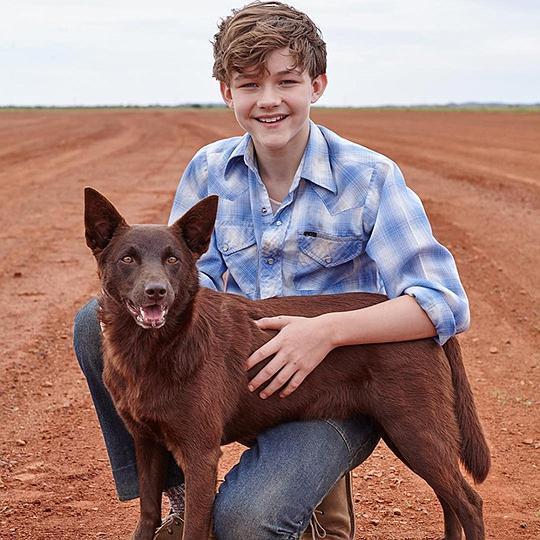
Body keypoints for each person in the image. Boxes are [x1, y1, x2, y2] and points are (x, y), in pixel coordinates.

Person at [74, 2, 470, 538]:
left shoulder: (370, 178)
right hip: (236, 380)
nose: (269, 100)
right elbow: (191, 281)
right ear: (226, 92)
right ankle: (181, 495)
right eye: (249, 84)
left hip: (336, 388)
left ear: (317, 84)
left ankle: (315, 499)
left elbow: (443, 302)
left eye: (287, 81)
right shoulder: (210, 169)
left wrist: (325, 332)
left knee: (245, 521)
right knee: (93, 323)